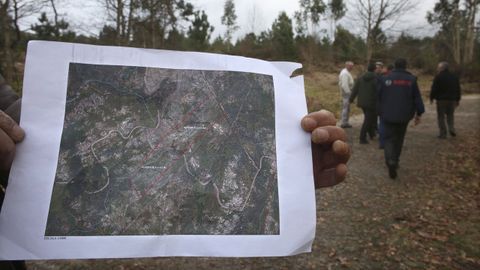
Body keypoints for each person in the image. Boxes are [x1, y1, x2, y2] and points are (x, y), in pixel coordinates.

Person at [377, 58, 425, 179]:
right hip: (403, 116)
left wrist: (379, 111)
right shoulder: (411, 80)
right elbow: (417, 98)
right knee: (399, 139)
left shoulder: (384, 79)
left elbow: (377, 96)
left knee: (388, 139)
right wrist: (419, 113)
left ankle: (390, 161)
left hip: (387, 115)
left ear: (394, 66)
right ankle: (395, 160)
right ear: (405, 66)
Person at [430, 61, 461, 139]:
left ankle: (443, 134)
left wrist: (431, 98)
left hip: (441, 100)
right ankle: (451, 128)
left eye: (438, 67)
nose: (437, 69)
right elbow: (458, 89)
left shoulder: (438, 77)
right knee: (450, 115)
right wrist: (458, 99)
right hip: (452, 100)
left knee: (441, 117)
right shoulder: (454, 76)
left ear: (442, 68)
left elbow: (434, 88)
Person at [349, 63, 378, 144]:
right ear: (375, 69)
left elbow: (355, 89)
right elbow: (378, 91)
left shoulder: (360, 78)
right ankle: (362, 138)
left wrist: (351, 99)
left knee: (370, 118)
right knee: (368, 120)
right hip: (372, 103)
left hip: (362, 103)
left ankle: (372, 134)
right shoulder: (376, 79)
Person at [338, 61, 354, 128]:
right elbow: (344, 85)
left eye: (352, 66)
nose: (352, 68)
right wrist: (349, 93)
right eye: (351, 66)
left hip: (347, 93)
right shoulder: (345, 73)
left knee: (347, 108)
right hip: (346, 93)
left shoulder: (346, 72)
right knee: (346, 108)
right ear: (347, 66)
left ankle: (345, 122)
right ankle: (344, 122)